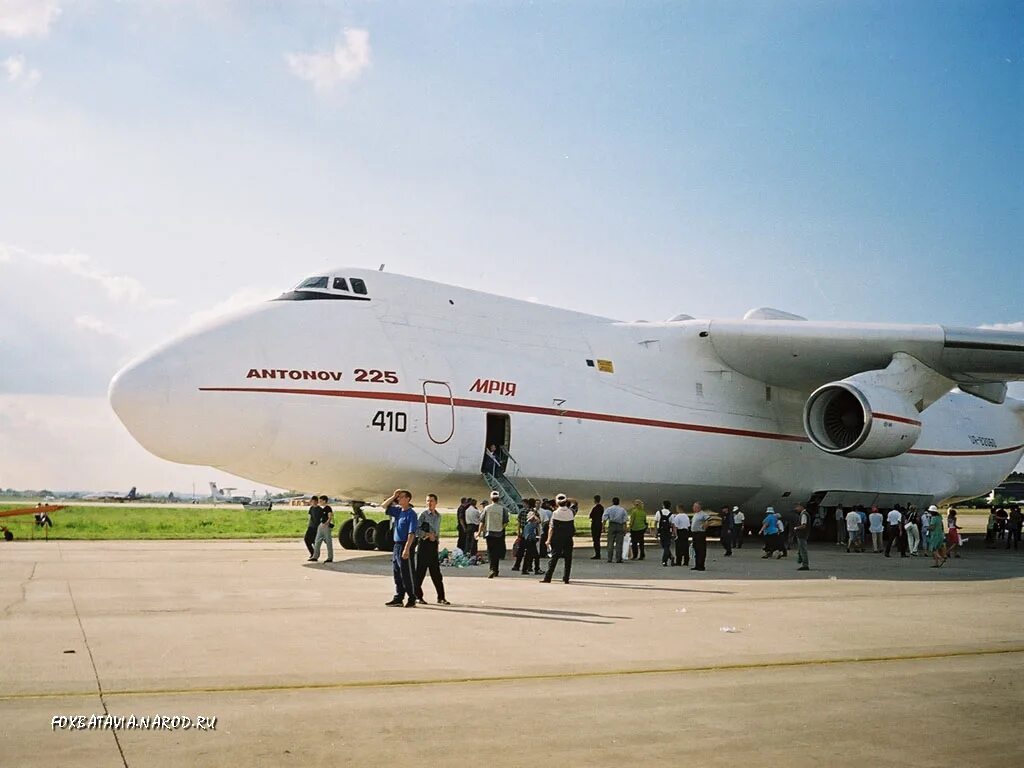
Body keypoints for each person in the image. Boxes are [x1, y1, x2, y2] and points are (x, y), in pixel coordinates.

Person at [383, 489, 419, 607]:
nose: (399, 499)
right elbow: (384, 506)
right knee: (397, 573)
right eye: (398, 497)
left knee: (406, 573)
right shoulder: (398, 511)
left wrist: (407, 548)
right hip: (397, 545)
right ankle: (399, 597)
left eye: (401, 497)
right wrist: (393, 496)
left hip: (405, 544)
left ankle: (412, 597)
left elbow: (411, 533)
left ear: (408, 499)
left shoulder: (411, 514)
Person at [414, 494, 449, 605]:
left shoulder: (438, 516)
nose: (429, 503)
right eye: (428, 501)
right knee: (420, 573)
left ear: (436, 502)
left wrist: (436, 540)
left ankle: (441, 597)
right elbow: (415, 530)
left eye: (431, 501)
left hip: (433, 546)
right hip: (424, 544)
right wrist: (427, 535)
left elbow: (437, 531)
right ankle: (417, 596)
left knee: (436, 574)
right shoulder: (423, 515)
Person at [542, 494, 575, 583]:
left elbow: (551, 528)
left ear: (557, 503)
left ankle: (548, 577)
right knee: (568, 559)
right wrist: (566, 499)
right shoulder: (571, 512)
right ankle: (566, 578)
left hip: (557, 538)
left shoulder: (555, 513)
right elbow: (574, 502)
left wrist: (548, 540)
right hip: (568, 538)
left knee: (554, 558)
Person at [480, 490, 509, 577]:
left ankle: (491, 569)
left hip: (489, 533)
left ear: (491, 498)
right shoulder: (503, 509)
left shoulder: (487, 508)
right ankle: (496, 570)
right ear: (499, 499)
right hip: (499, 533)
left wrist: (479, 532)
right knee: (496, 552)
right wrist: (501, 528)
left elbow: (482, 521)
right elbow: (506, 522)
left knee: (490, 552)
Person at [512, 499, 536, 571]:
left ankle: (517, 565)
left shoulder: (522, 511)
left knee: (520, 551)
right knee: (530, 551)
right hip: (531, 534)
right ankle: (529, 566)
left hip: (523, 533)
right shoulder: (534, 512)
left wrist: (518, 531)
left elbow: (519, 522)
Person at [603, 497, 628, 563]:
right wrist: (625, 529)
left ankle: (609, 558)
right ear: (619, 502)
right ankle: (618, 558)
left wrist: (603, 527)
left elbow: (605, 518)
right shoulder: (622, 510)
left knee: (610, 543)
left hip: (612, 525)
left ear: (612, 502)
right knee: (619, 543)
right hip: (620, 526)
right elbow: (625, 520)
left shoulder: (609, 509)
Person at [311, 495, 334, 563]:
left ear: (324, 501)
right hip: (321, 525)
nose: (319, 502)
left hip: (326, 526)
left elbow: (330, 516)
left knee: (328, 542)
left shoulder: (328, 508)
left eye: (320, 501)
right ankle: (315, 556)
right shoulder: (322, 508)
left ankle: (330, 557)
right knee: (317, 541)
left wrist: (326, 523)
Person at [521, 510, 542, 575]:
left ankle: (524, 569)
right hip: (531, 541)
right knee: (536, 556)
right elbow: (539, 521)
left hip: (527, 541)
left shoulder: (527, 525)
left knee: (527, 556)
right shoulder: (532, 525)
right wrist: (535, 515)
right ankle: (537, 569)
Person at [690, 502, 710, 571]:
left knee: (701, 550)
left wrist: (704, 527)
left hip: (700, 534)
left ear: (698, 507)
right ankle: (697, 565)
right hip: (695, 534)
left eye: (694, 506)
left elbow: (708, 520)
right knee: (696, 550)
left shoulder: (703, 514)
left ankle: (701, 566)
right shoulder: (696, 514)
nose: (693, 508)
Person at [655, 501, 674, 566]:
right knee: (666, 546)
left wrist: (656, 532)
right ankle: (671, 556)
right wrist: (673, 533)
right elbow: (672, 525)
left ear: (663, 505)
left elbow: (656, 522)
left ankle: (664, 560)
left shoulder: (658, 512)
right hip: (668, 532)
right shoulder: (671, 514)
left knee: (664, 545)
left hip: (661, 531)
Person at [304, 496, 322, 560]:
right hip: (310, 527)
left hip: (316, 528)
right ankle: (312, 553)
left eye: (315, 501)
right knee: (306, 539)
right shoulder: (311, 508)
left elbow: (321, 519)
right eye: (312, 501)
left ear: (317, 502)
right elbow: (310, 516)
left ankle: (315, 555)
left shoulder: (320, 509)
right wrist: (308, 524)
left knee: (314, 541)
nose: (313, 503)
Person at [794, 503, 810, 570]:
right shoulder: (804, 514)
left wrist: (796, 528)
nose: (796, 508)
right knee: (801, 549)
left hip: (802, 534)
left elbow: (803, 525)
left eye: (797, 507)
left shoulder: (804, 514)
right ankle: (802, 561)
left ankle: (805, 565)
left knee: (803, 549)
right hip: (802, 534)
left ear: (801, 507)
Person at [589, 495, 605, 560]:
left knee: (595, 540)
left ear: (595, 500)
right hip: (599, 524)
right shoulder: (601, 507)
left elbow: (591, 515)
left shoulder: (595, 508)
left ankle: (597, 554)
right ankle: (598, 553)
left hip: (595, 524)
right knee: (598, 539)